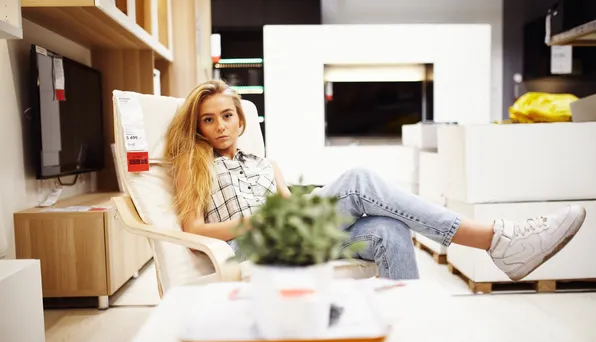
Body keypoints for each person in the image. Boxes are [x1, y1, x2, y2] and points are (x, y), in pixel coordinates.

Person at [164, 80, 587, 281]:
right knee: (359, 179)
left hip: (293, 233)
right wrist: (251, 224)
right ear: (198, 127)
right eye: (208, 119)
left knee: (388, 229)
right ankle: (499, 239)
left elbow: (290, 208)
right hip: (256, 243)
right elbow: (191, 228)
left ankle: (405, 335)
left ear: (241, 120)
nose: (219, 126)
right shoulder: (194, 163)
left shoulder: (265, 162)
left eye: (227, 116)